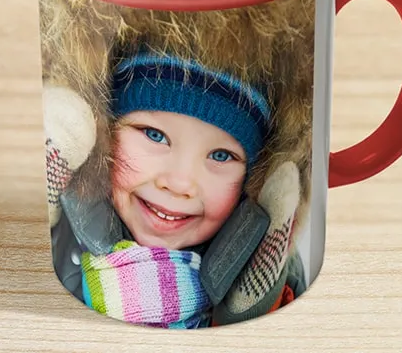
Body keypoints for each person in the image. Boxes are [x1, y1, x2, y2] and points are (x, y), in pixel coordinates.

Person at [43, 50, 307, 328]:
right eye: (155, 135)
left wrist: (253, 311)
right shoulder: (63, 235)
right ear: (106, 134)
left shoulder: (274, 258)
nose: (180, 184)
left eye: (220, 155)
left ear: (251, 181)